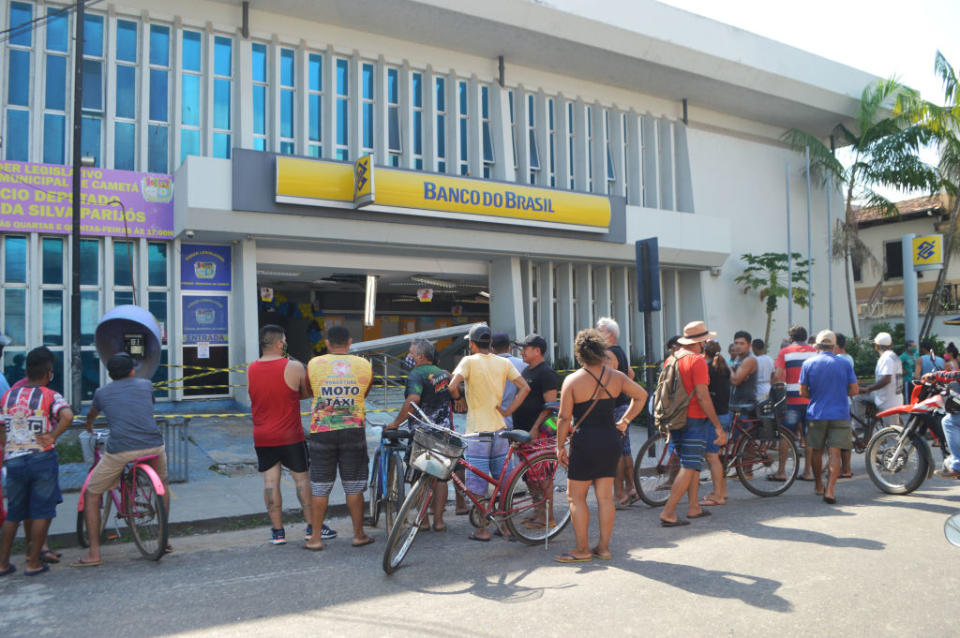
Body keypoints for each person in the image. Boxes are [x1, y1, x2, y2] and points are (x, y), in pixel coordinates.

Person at [554, 329, 647, 562]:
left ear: (579, 353)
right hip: (611, 439)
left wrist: (559, 446)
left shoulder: (573, 381)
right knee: (605, 497)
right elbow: (642, 395)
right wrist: (625, 421)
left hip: (585, 442)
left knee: (576, 497)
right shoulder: (616, 376)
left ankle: (582, 549)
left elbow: (564, 418)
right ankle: (604, 548)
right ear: (601, 351)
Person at [73, 353, 169, 566]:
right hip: (154, 445)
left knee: (91, 494)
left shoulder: (101, 393)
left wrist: (89, 424)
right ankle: (164, 538)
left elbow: (92, 413)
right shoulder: (146, 386)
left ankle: (94, 553)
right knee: (162, 485)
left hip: (122, 450)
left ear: (110, 374)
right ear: (132, 370)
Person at [448, 324, 530, 542]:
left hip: (478, 432)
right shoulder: (503, 363)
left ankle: (482, 529)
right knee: (503, 482)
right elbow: (525, 388)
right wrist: (508, 410)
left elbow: (451, 386)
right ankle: (506, 527)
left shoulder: (468, 361)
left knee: (477, 485)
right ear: (490, 344)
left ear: (472, 344)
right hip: (500, 430)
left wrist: (460, 400)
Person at [248, 325, 327, 546]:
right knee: (301, 479)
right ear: (279, 343)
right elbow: (307, 392)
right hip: (290, 435)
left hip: (262, 435)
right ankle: (312, 527)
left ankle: (277, 531)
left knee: (270, 481)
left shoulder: (251, 369)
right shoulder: (293, 367)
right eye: (284, 341)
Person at [0, 347, 74, 576]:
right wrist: (52, 436)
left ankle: (2, 564)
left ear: (26, 370)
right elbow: (68, 416)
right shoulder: (50, 395)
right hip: (42, 458)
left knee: (14, 513)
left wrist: (7, 448)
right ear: (49, 372)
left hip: (14, 460)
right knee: (42, 510)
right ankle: (33, 562)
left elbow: (2, 427)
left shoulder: (9, 395)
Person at [304, 325, 375, 550]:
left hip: (321, 431)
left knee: (320, 486)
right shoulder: (364, 364)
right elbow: (365, 392)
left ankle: (315, 539)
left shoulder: (314, 364)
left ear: (327, 343)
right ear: (350, 342)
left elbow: (309, 390)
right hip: (352, 429)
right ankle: (358, 534)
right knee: (353, 485)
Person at [660, 321, 726, 527]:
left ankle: (694, 506)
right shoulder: (697, 361)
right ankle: (669, 512)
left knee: (692, 464)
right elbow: (702, 396)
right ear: (701, 341)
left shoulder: (672, 358)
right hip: (694, 418)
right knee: (689, 466)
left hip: (675, 417)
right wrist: (717, 425)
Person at [385, 339, 453, 531]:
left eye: (412, 353)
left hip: (423, 433)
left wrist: (396, 423)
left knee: (418, 476)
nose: (409, 356)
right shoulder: (443, 374)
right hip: (443, 431)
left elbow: (413, 400)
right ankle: (439, 521)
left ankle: (423, 520)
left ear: (421, 356)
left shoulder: (416, 374)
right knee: (440, 478)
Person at [799, 331, 859, 504]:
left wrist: (816, 395)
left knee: (816, 451)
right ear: (834, 347)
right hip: (840, 413)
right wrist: (840, 393)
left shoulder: (808, 364)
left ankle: (818, 485)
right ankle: (830, 490)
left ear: (816, 346)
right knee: (835, 453)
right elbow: (854, 390)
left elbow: (803, 392)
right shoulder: (844, 364)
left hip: (816, 413)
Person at [596, 317, 639, 509]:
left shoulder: (607, 354)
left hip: (613, 407)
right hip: (622, 405)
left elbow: (606, 380)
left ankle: (619, 493)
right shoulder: (620, 351)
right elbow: (630, 374)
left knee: (616, 452)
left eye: (600, 330)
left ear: (610, 334)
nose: (597, 333)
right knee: (625, 449)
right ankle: (631, 488)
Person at [773, 325, 817, 481]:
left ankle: (782, 471)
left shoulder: (785, 352)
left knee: (786, 435)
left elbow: (778, 376)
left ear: (791, 338)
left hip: (791, 402)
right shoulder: (814, 352)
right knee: (809, 436)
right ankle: (808, 472)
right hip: (811, 401)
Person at [701, 340, 731, 506]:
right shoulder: (723, 366)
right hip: (725, 413)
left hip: (715, 417)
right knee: (717, 456)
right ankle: (721, 491)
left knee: (712, 457)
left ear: (704, 352)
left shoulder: (707, 368)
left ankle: (718, 495)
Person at [859, 332, 903, 428]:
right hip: (894, 398)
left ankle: (859, 427)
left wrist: (869, 388)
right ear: (891, 344)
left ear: (876, 346)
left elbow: (886, 379)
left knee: (892, 433)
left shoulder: (886, 358)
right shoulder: (893, 356)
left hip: (886, 400)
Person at [835, 333, 856, 478]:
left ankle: (845, 468)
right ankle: (845, 467)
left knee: (841, 438)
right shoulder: (849, 358)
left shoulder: (838, 360)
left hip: (839, 401)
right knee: (844, 436)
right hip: (846, 400)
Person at [728, 331, 758, 412]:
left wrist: (728, 367)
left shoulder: (749, 359)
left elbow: (735, 380)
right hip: (736, 404)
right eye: (736, 343)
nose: (738, 346)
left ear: (749, 345)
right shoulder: (738, 358)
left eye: (742, 343)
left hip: (745, 407)